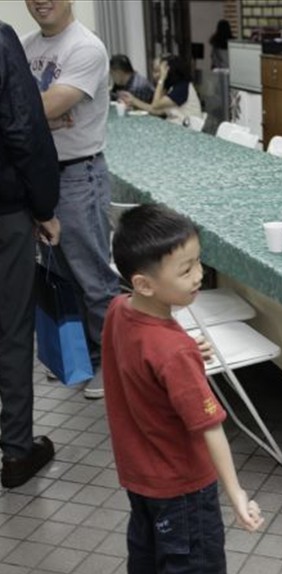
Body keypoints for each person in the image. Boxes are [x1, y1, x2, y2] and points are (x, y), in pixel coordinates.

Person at [104, 203, 264, 574]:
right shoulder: (173, 352)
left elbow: (144, 354)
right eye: (185, 270)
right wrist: (236, 494)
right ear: (144, 284)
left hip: (141, 479)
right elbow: (210, 428)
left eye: (198, 262)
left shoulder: (119, 310)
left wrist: (183, 349)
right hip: (183, 489)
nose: (199, 275)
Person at [22, 0, 120, 400]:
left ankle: (114, 365)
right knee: (60, 274)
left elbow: (47, 105)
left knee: (93, 277)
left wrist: (35, 114)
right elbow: (32, 110)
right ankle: (85, 357)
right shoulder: (25, 45)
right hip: (41, 175)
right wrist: (39, 118)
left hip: (79, 175)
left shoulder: (85, 47)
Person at [0, 20, 61, 488]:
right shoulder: (2, 41)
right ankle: (17, 453)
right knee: (12, 329)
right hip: (4, 215)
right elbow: (24, 129)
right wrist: (44, 207)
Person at [119, 54, 202, 125]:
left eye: (159, 71)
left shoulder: (182, 87)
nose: (154, 75)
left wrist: (162, 79)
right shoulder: (170, 87)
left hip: (189, 129)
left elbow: (155, 105)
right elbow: (156, 111)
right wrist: (132, 100)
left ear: (169, 70)